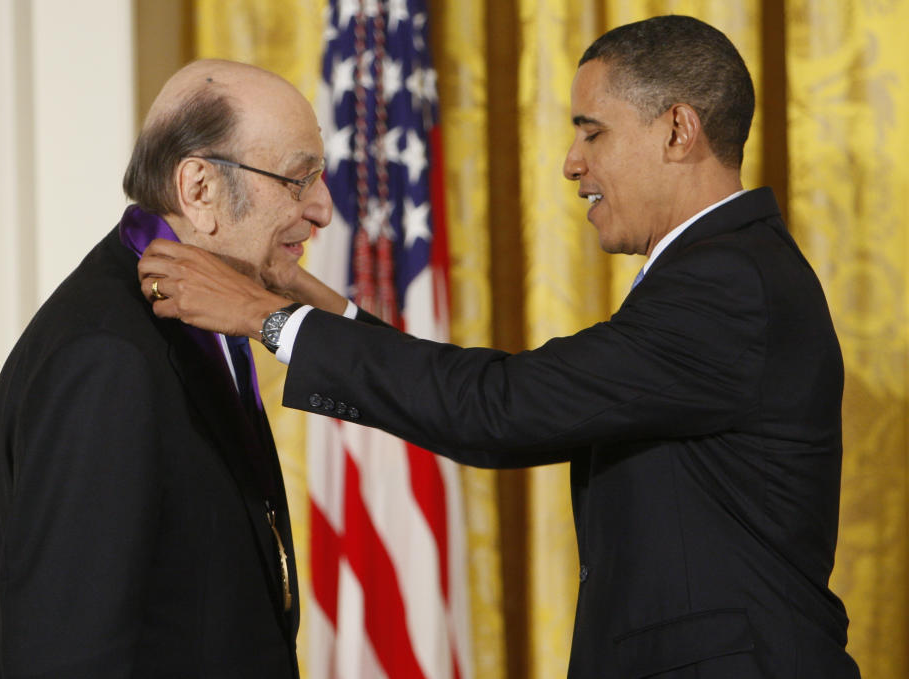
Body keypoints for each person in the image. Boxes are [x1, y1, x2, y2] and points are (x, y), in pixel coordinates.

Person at [138, 16, 861, 679]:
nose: (572, 163)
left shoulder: (730, 283)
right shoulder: (727, 271)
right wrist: (328, 311)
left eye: (593, 132)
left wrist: (266, 317)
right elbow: (501, 400)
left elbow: (503, 408)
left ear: (678, 131)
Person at [0, 59, 336, 677]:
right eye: (298, 181)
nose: (323, 208)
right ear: (200, 190)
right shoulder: (105, 359)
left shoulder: (193, 315)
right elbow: (67, 652)